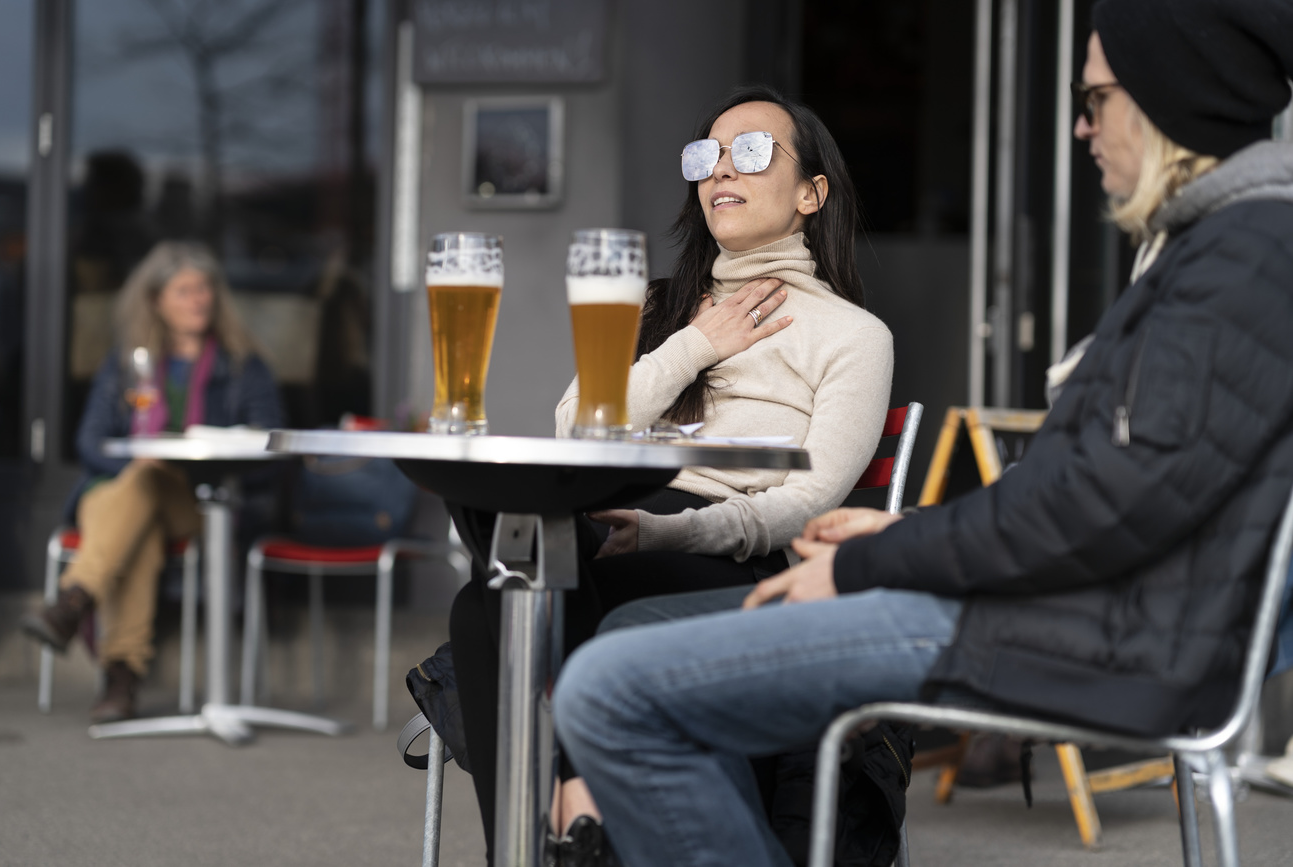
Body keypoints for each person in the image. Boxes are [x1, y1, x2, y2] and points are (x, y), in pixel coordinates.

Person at [552, 3, 1293, 866]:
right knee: (612, 640)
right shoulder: (1210, 250)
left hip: (1092, 634)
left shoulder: (1242, 260)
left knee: (611, 686)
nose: (1082, 124)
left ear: (1171, 98)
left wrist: (878, 560)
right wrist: (900, 529)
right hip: (1078, 611)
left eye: (1096, 97)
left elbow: (1103, 502)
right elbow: (1109, 487)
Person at [447, 85, 894, 865]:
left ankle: (550, 833)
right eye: (707, 156)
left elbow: (810, 499)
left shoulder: (854, 335)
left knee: (492, 595)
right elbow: (571, 429)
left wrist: (671, 527)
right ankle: (575, 822)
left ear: (811, 193)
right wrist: (695, 341)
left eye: (752, 153)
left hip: (725, 553)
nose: (722, 170)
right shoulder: (661, 310)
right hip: (607, 516)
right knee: (501, 578)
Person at [20, 241, 283, 723]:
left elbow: (269, 447)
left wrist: (200, 456)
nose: (198, 300)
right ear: (156, 299)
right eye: (184, 291)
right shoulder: (127, 362)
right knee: (138, 506)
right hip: (120, 493)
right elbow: (90, 441)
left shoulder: (244, 365)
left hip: (200, 500)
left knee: (146, 489)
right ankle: (121, 678)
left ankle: (76, 602)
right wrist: (139, 461)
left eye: (204, 289)